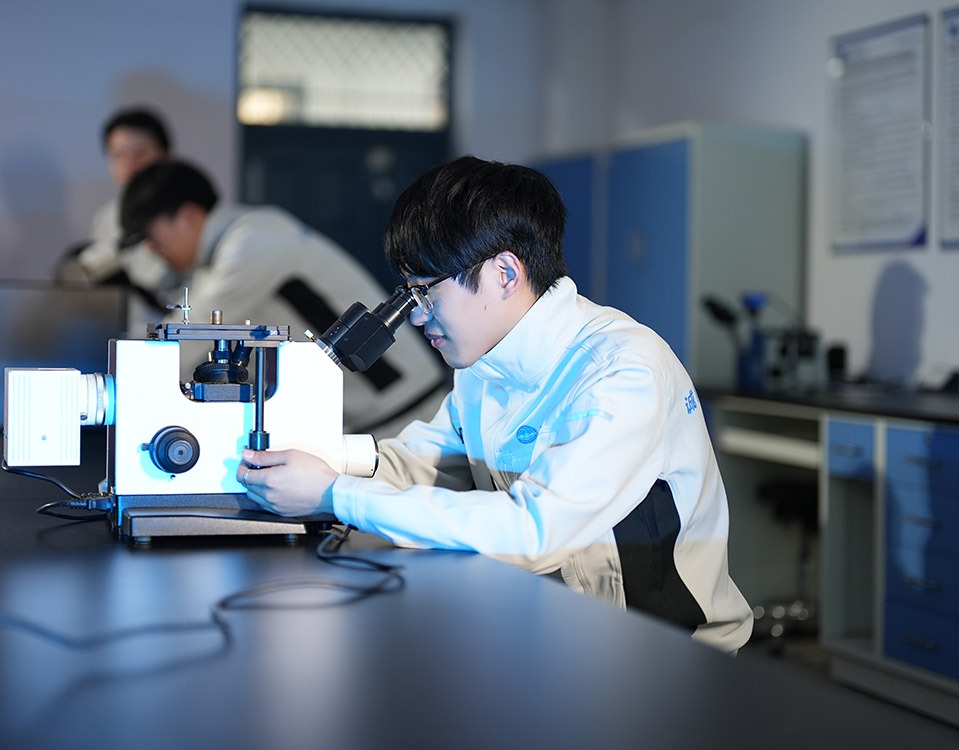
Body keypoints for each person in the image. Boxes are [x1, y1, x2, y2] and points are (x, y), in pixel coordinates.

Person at [236, 156, 753, 654]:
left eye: (426, 291)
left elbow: (534, 531)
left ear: (505, 273)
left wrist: (334, 494)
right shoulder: (483, 367)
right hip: (558, 634)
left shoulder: (624, 372)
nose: (416, 317)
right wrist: (318, 458)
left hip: (663, 654)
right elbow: (427, 462)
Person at [117, 158, 449, 437]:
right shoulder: (232, 249)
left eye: (150, 235)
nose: (151, 248)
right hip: (371, 418)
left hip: (405, 415)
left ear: (188, 217)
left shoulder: (253, 241)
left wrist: (123, 381)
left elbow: (193, 333)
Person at [55, 106, 174, 309]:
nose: (130, 164)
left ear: (164, 155)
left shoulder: (182, 213)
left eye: (140, 153)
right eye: (118, 155)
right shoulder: (107, 216)